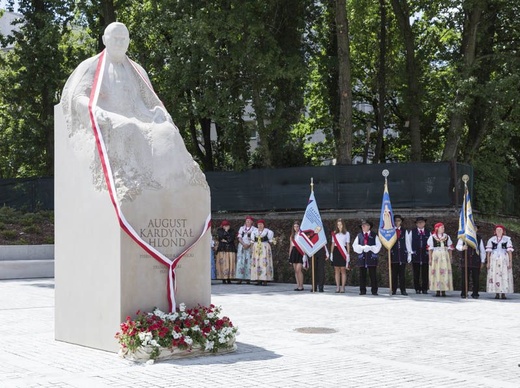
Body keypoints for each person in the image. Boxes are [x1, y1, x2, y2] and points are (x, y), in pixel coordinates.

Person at [352, 220, 382, 295]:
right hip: (362, 258)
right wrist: (361, 247)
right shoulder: (359, 235)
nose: (363, 227)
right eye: (362, 226)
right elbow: (354, 246)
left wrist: (371, 248)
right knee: (362, 275)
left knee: (373, 275)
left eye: (364, 225)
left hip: (371, 257)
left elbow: (378, 246)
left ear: (369, 226)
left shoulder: (374, 235)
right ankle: (362, 290)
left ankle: (374, 291)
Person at [456, 225, 486, 299]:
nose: (474, 229)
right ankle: (464, 292)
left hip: (476, 261)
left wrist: (482, 261)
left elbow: (482, 251)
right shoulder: (464, 237)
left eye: (475, 228)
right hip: (465, 261)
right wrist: (462, 248)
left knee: (475, 278)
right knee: (465, 277)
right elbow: (458, 246)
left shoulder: (479, 238)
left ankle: (475, 293)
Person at [486, 225, 514, 299]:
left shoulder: (507, 239)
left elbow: (509, 252)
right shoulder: (491, 240)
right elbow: (488, 252)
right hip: (494, 260)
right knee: (495, 275)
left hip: (504, 260)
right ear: (495, 231)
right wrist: (488, 262)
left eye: (500, 230)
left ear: (503, 231)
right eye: (497, 230)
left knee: (504, 276)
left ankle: (504, 292)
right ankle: (497, 293)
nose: (499, 231)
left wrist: (510, 262)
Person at [427, 222, 454, 297]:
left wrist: (450, 257)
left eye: (443, 227)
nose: (443, 229)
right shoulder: (432, 237)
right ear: (437, 228)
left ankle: (444, 289)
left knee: (444, 272)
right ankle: (437, 290)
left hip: (445, 256)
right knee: (436, 272)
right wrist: (430, 259)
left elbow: (450, 248)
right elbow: (430, 249)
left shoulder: (447, 237)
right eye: (442, 227)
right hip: (436, 256)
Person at [406, 216, 430, 294]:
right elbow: (408, 242)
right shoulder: (412, 232)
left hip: (425, 255)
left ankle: (424, 288)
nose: (420, 224)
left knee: (425, 273)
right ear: (416, 224)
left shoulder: (428, 232)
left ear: (424, 223)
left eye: (422, 222)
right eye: (419, 222)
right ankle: (417, 288)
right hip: (416, 254)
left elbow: (430, 244)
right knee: (416, 273)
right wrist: (410, 252)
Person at [250, 219, 275, 285]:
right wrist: (252, 250)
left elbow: (271, 241)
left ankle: (265, 279)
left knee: (264, 262)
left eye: (261, 224)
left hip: (264, 247)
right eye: (258, 224)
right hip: (256, 247)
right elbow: (252, 242)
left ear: (264, 225)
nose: (260, 226)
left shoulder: (268, 232)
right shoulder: (254, 232)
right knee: (257, 262)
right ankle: (258, 279)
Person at [330, 218, 350, 293]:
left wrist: (348, 254)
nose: (339, 226)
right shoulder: (334, 233)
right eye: (338, 225)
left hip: (343, 252)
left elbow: (348, 244)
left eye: (340, 224)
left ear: (343, 225)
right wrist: (331, 253)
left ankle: (343, 287)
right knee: (336, 270)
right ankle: (337, 287)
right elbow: (332, 243)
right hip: (336, 251)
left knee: (343, 270)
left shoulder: (347, 233)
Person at [235, 216, 257, 284]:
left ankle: (248, 278)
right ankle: (239, 278)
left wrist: (249, 245)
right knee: (240, 261)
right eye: (247, 220)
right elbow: (239, 238)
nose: (248, 222)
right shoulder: (241, 228)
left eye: (249, 221)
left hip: (250, 246)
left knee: (249, 262)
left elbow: (254, 239)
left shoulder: (254, 229)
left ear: (252, 222)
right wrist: (243, 244)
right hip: (242, 246)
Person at [390, 214, 408, 295]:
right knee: (394, 274)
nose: (397, 222)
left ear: (401, 222)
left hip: (402, 254)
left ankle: (403, 290)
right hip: (394, 254)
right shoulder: (390, 231)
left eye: (399, 221)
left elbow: (407, 242)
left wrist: (409, 253)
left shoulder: (404, 231)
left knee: (402, 275)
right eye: (395, 221)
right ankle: (393, 289)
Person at [289, 222, 306, 291]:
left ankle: (301, 286)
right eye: (294, 226)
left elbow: (305, 245)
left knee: (298, 270)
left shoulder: (302, 235)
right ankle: (298, 285)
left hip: (300, 252)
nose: (296, 228)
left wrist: (304, 254)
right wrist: (289, 255)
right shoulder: (292, 236)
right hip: (294, 252)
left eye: (297, 226)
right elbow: (290, 246)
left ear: (299, 227)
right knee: (295, 270)